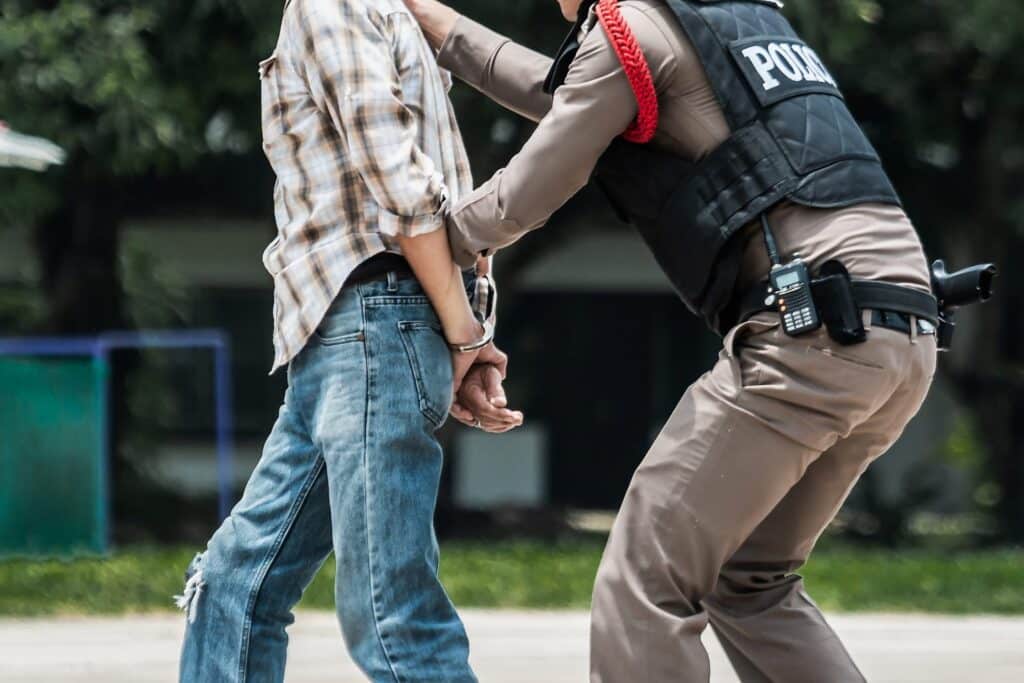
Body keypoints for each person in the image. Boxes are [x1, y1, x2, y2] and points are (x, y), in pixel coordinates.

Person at [405, 0, 939, 681]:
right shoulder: (727, 20)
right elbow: (567, 97)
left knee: (642, 581)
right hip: (902, 331)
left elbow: (529, 189)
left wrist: (424, 242)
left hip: (809, 337)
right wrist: (440, 26)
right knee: (753, 581)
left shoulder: (632, 30)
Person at [176, 0, 522, 681]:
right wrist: (467, 327)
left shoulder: (332, 4)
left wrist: (463, 331)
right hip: (345, 336)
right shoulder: (396, 19)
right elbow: (445, 190)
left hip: (370, 326)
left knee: (392, 615)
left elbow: (401, 182)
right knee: (233, 585)